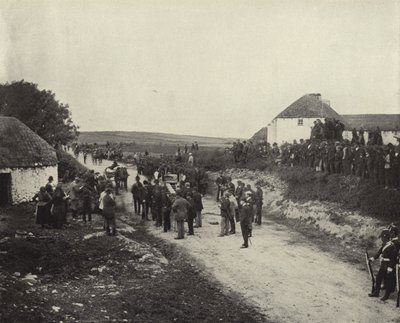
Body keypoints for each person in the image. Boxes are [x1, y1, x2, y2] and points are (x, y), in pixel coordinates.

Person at [368, 229, 398, 300]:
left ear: (386, 238)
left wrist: (390, 268)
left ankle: (386, 295)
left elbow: (394, 258)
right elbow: (379, 252)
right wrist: (373, 258)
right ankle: (376, 292)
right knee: (378, 278)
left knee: (388, 281)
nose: (381, 239)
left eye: (382, 238)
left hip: (388, 265)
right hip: (383, 264)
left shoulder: (392, 246)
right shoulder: (384, 245)